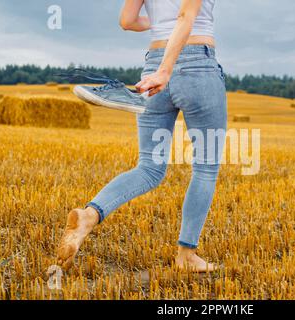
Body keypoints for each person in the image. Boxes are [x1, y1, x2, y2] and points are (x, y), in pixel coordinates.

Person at [57, 0, 227, 273]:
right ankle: (186, 255)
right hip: (196, 66)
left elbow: (127, 20)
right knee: (205, 167)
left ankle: (89, 215)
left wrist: (160, 36)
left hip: (153, 65)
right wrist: (166, 70)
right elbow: (186, 15)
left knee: (149, 167)